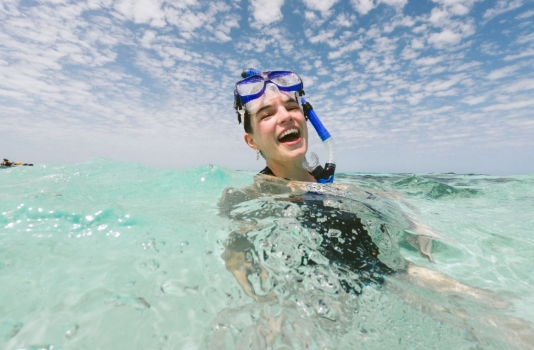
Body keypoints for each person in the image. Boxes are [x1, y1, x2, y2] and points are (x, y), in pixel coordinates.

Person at [214, 69, 533, 347]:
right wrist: (262, 298)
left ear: (306, 119)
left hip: (391, 275)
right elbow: (237, 260)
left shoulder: (338, 187)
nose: (285, 116)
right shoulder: (243, 199)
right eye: (267, 114)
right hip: (313, 307)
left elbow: (392, 201)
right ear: (251, 141)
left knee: (506, 322)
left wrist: (418, 228)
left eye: (292, 106)